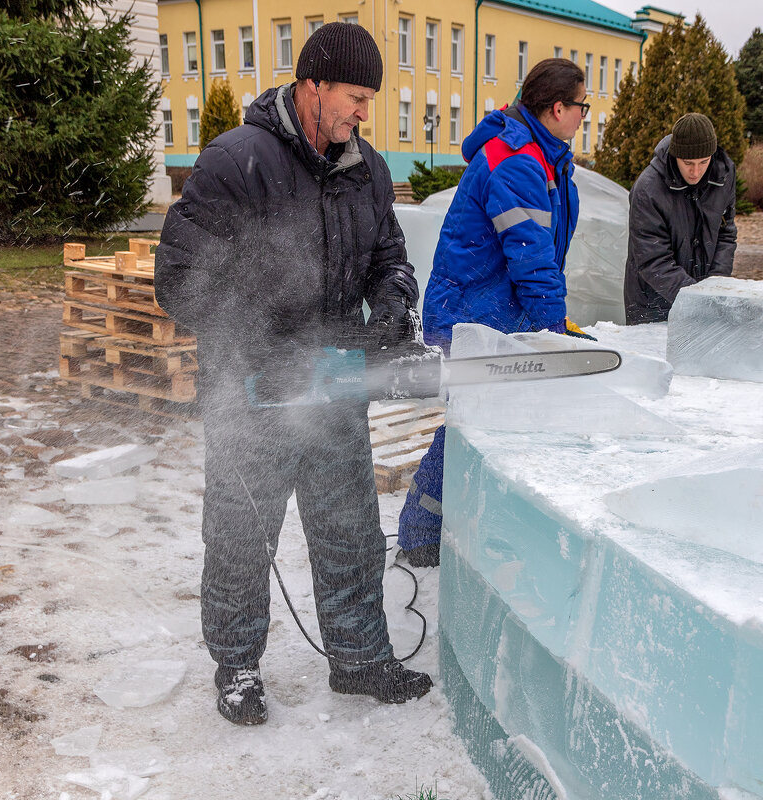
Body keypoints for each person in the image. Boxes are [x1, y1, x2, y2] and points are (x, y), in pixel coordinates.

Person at [154, 22, 432, 726]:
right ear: (311, 87)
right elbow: (179, 280)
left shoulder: (366, 168)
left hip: (334, 385)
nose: (363, 112)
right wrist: (262, 345)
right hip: (254, 391)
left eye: (369, 98)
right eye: (354, 96)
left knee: (350, 533)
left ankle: (361, 657)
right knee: (243, 539)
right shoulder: (236, 161)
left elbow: (388, 257)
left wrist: (395, 303)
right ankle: (239, 667)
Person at [396, 58, 590, 567]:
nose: (583, 117)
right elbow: (531, 255)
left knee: (483, 420)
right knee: (472, 422)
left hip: (495, 310)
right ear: (556, 107)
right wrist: (553, 333)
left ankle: (442, 526)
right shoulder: (518, 160)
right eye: (581, 107)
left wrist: (551, 323)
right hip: (472, 314)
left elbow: (542, 254)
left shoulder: (545, 157)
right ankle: (421, 532)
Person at [623, 112, 738, 324]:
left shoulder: (724, 176)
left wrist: (714, 285)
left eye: (703, 162)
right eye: (688, 163)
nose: (695, 172)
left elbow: (726, 234)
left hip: (704, 298)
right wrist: (696, 298)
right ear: (675, 156)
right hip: (652, 303)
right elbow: (652, 260)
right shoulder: (648, 189)